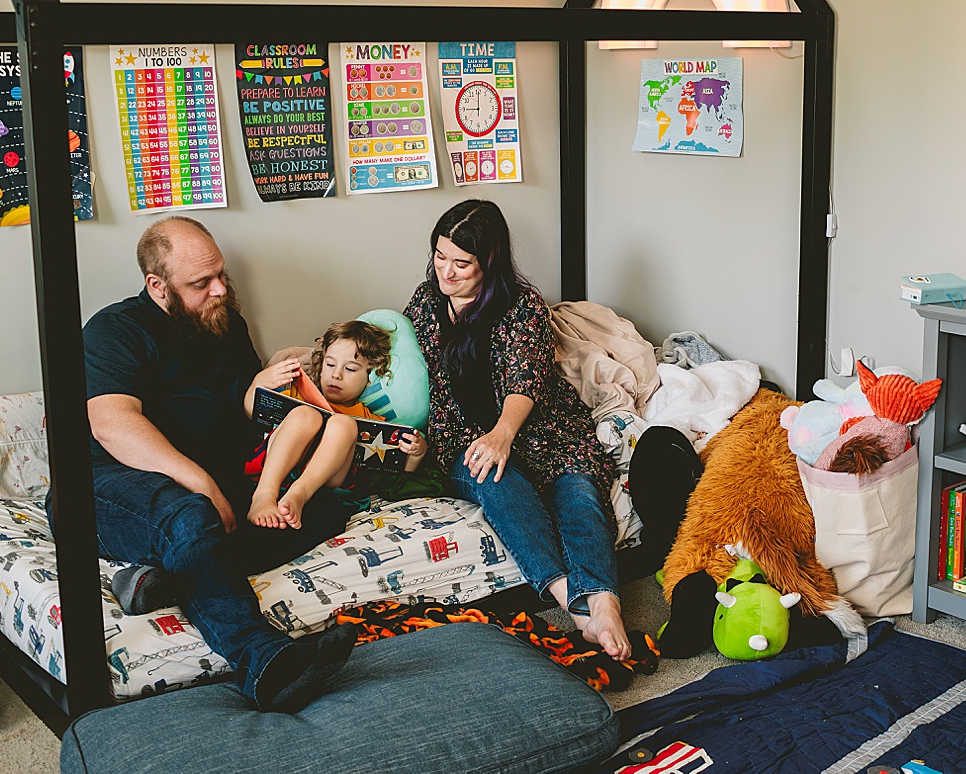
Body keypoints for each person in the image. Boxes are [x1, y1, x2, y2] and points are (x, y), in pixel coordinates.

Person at [61, 215, 358, 712]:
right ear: (157, 286)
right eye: (201, 282)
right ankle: (263, 661)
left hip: (210, 483)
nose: (220, 289)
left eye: (221, 274)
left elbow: (245, 410)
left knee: (321, 508)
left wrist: (276, 382)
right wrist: (198, 481)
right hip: (106, 486)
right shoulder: (116, 329)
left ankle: (164, 575)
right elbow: (111, 422)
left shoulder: (225, 322)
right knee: (189, 515)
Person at [404, 199, 631, 659]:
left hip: (541, 429)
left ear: (488, 261)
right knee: (496, 480)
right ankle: (575, 602)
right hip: (463, 436)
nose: (446, 272)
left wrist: (503, 434)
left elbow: (526, 378)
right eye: (440, 256)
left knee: (579, 492)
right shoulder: (426, 304)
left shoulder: (521, 305)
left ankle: (605, 601)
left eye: (461, 263)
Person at [245, 320, 426, 530]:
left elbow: (398, 467)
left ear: (368, 379)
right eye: (330, 365)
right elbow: (252, 411)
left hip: (326, 481)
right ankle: (264, 494)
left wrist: (416, 453)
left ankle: (299, 494)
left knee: (344, 424)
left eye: (350, 369)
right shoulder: (299, 394)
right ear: (321, 368)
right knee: (306, 414)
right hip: (279, 465)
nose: (336, 374)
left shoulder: (367, 417)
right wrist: (259, 382)